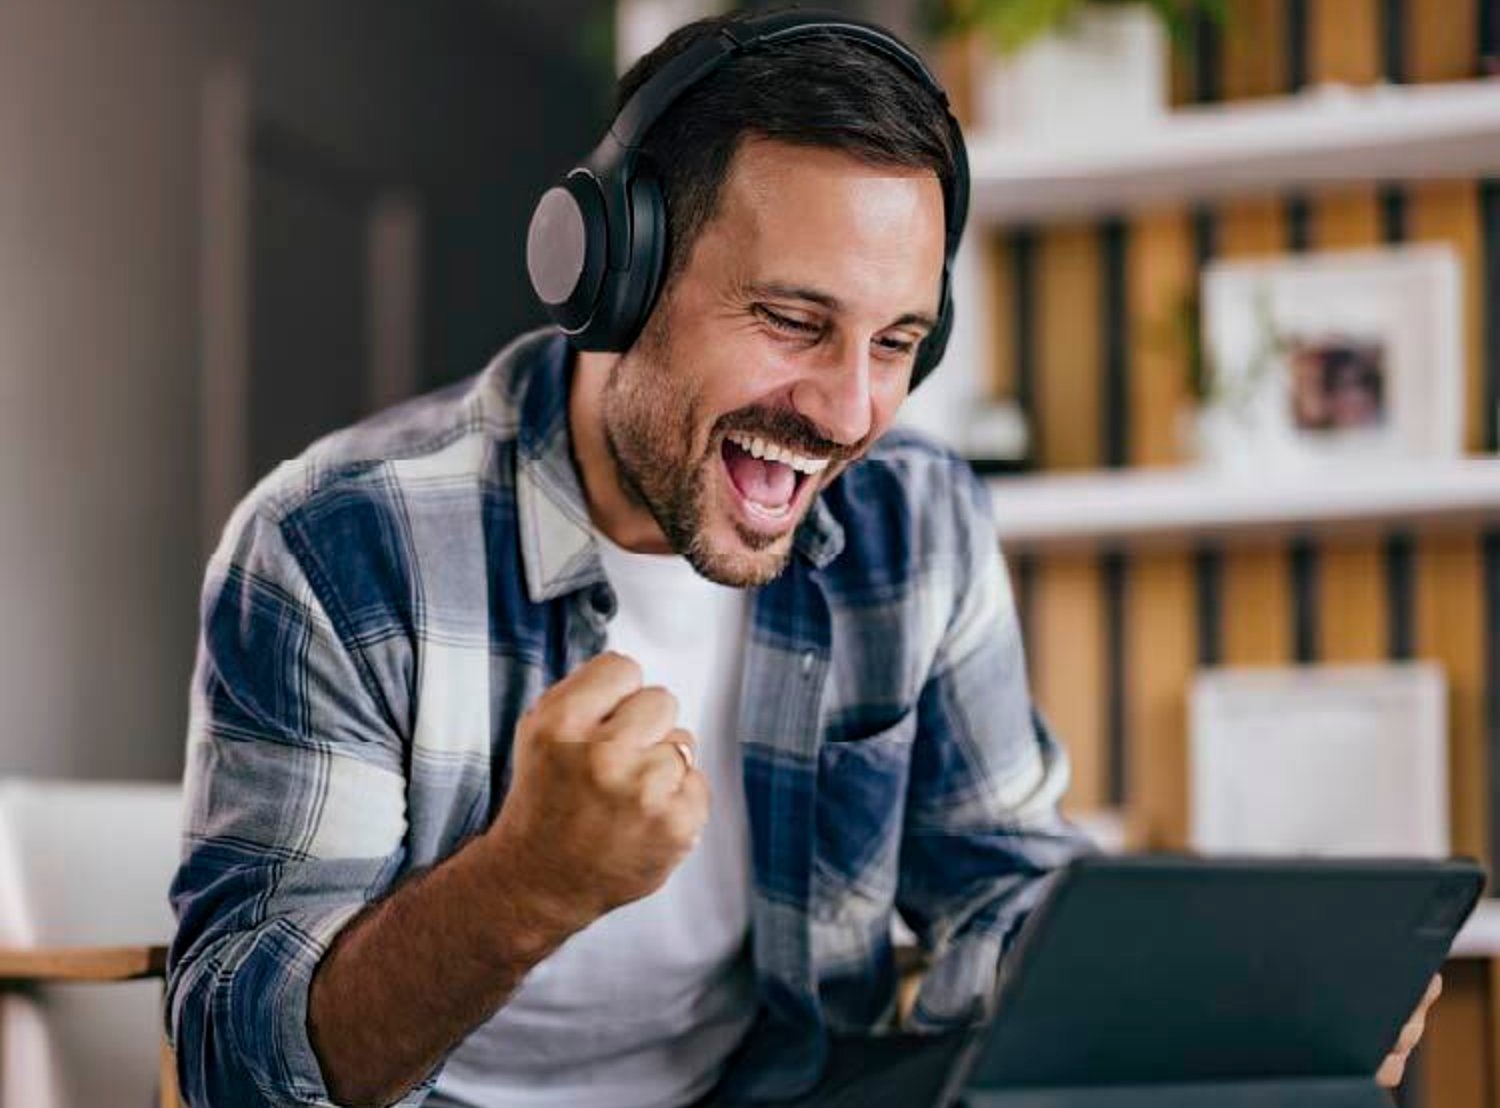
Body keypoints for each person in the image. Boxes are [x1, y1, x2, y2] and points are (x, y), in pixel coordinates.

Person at [165, 11, 1436, 1108]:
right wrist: (524, 884)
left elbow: (994, 883)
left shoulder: (914, 518)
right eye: (791, 320)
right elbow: (235, 1063)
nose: (846, 409)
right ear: (614, 274)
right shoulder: (340, 542)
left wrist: (1213, 1000)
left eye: (897, 341)